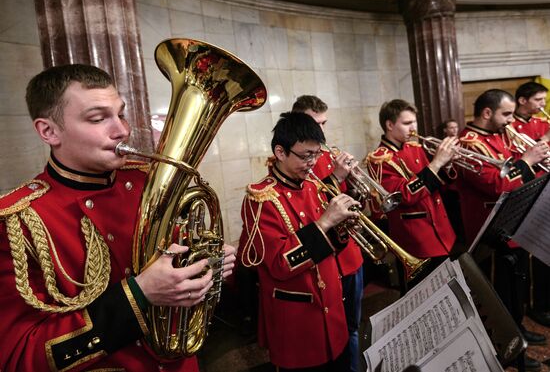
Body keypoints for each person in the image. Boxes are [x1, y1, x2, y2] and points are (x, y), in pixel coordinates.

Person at [0, 64, 236, 372]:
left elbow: (179, 273)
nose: (122, 130)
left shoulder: (147, 183)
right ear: (49, 131)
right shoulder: (18, 221)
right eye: (98, 118)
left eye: (121, 114)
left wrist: (204, 268)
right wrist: (139, 295)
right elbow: (20, 357)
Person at [238, 112, 359, 371]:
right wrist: (325, 222)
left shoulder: (314, 187)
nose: (313, 163)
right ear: (281, 152)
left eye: (316, 154)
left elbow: (332, 249)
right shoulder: (260, 199)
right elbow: (280, 264)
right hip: (298, 321)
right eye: (305, 156)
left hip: (333, 309)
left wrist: (343, 228)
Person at [458, 88, 549, 371]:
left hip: (514, 223)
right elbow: (495, 184)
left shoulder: (499, 133)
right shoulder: (468, 143)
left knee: (516, 286)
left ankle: (519, 328)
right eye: (506, 114)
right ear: (487, 113)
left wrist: (533, 160)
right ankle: (505, 348)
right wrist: (527, 160)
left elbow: (517, 173)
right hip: (490, 231)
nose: (511, 121)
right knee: (499, 295)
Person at [291, 95, 364, 372]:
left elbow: (350, 203)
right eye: (315, 123)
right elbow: (307, 207)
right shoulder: (297, 160)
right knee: (335, 332)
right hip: (325, 261)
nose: (321, 130)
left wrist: (357, 188)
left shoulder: (330, 155)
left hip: (351, 256)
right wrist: (337, 178)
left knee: (353, 326)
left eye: (324, 122)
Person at [364, 99, 458, 291]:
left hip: (441, 229)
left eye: (414, 122)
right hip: (416, 237)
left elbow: (435, 182)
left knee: (446, 291)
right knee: (423, 295)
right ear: (390, 125)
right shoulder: (379, 159)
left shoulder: (415, 148)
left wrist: (447, 164)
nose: (413, 128)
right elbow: (404, 195)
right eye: (407, 123)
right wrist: (436, 163)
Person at [509, 82, 550, 329]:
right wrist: (542, 142)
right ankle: (532, 306)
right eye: (538, 100)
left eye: (544, 101)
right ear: (522, 101)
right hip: (527, 192)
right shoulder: (511, 127)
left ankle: (544, 301)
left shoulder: (542, 122)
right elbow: (514, 162)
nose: (543, 106)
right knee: (531, 253)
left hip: (546, 189)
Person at [439, 119, 466, 246]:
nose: (454, 130)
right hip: (449, 187)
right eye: (451, 127)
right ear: (445, 130)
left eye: (456, 127)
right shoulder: (440, 145)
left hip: (463, 183)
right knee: (453, 216)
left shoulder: (463, 142)